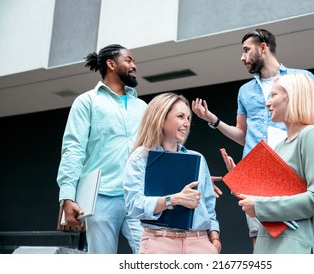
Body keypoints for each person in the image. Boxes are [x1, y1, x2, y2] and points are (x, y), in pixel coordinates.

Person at [192, 28, 314, 246]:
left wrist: (299, 148)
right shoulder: (245, 91)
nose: (242, 57)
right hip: (257, 174)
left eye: (246, 50)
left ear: (263, 48)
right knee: (262, 241)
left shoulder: (302, 79)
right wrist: (214, 120)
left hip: (292, 172)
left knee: (297, 236)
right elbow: (242, 135)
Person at [56, 44, 147, 254]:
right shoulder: (87, 102)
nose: (134, 65)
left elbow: (154, 149)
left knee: (150, 255)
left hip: (137, 195)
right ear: (111, 64)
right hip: (100, 197)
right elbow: (73, 149)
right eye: (129, 60)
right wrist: (67, 196)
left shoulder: (142, 107)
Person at [232, 73, 314, 253]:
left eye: (273, 95)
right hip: (273, 246)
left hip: (297, 248)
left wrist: (259, 206)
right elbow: (274, 196)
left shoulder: (312, 136)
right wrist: (243, 185)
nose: (267, 103)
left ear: (291, 97)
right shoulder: (280, 145)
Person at [123, 93, 221, 254]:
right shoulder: (141, 157)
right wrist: (173, 200)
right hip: (160, 242)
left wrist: (215, 239)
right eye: (180, 116)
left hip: (200, 244)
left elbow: (209, 208)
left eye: (188, 119)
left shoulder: (197, 159)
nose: (186, 124)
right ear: (161, 118)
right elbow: (134, 205)